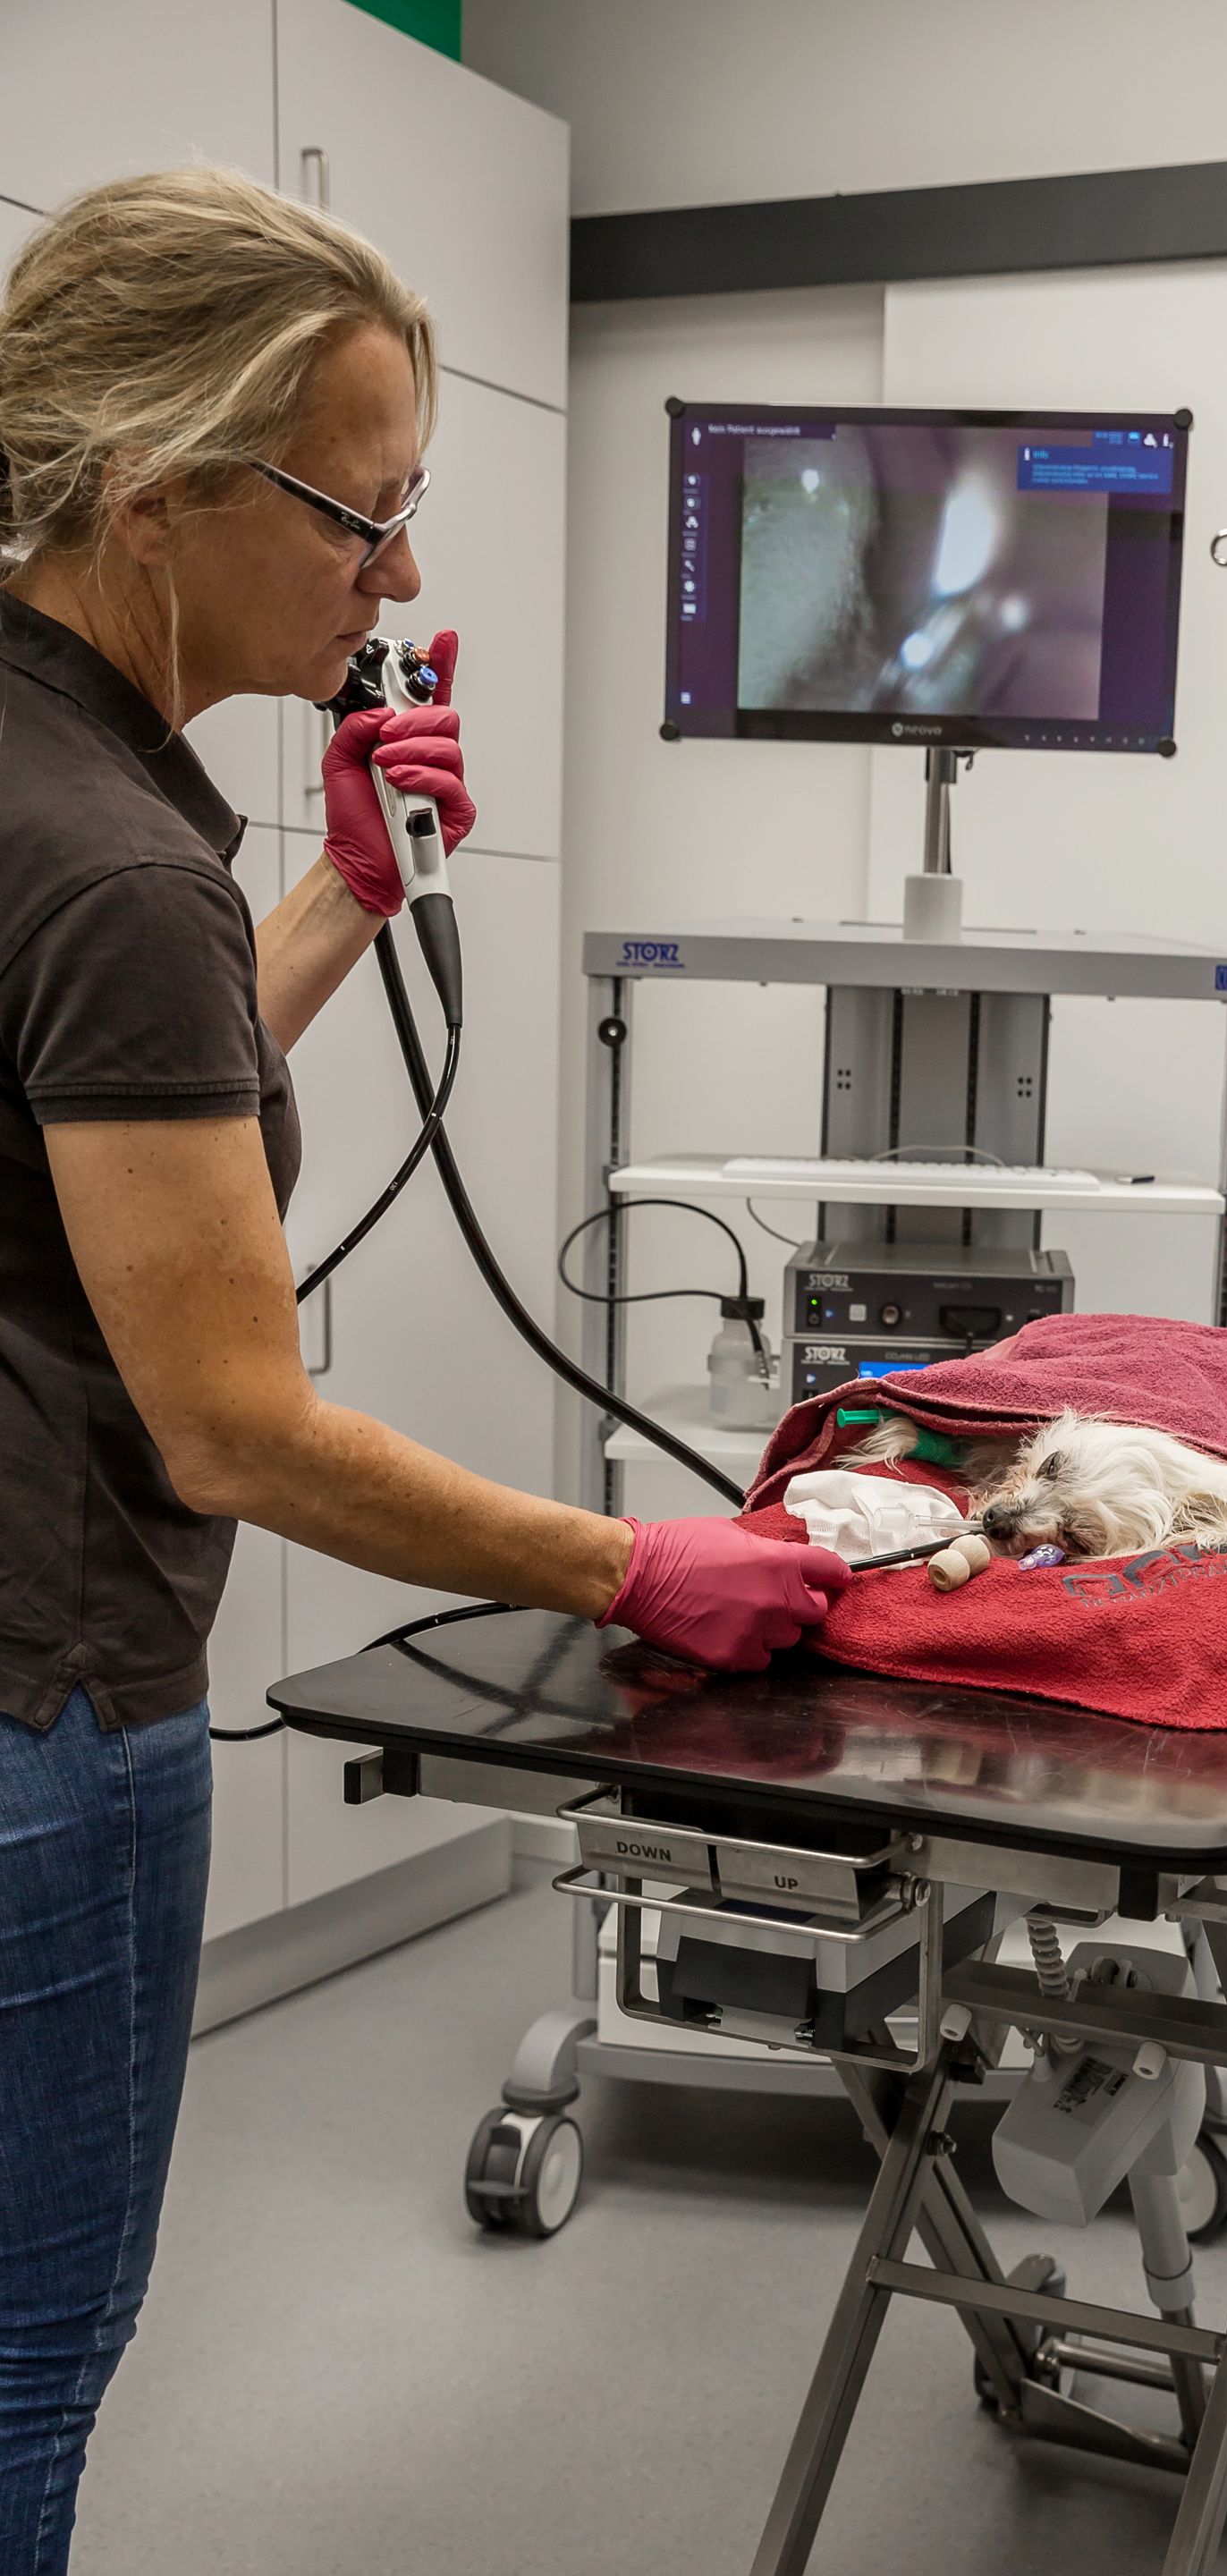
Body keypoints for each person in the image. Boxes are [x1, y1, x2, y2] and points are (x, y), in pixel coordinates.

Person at [0, 166, 847, 2570]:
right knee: (23, 2364)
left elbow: (100, 1127)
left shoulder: (55, 799)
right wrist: (637, 1568)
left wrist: (342, 898)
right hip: (48, 1702)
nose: (395, 578)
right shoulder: (111, 863)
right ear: (154, 486)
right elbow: (229, 1423)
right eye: (355, 514)